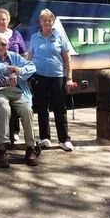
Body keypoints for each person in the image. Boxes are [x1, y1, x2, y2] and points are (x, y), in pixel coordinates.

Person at [0, 33, 38, 168]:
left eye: (3, 44)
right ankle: (1, 148)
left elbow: (32, 67)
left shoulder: (14, 56)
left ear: (7, 46)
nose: (1, 46)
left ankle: (30, 147)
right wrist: (5, 68)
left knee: (27, 109)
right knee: (4, 108)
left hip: (16, 91)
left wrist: (18, 71)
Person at [28, 9, 74, 152]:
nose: (47, 23)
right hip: (39, 77)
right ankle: (45, 138)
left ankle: (64, 139)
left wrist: (69, 78)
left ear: (53, 22)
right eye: (44, 20)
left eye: (49, 20)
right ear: (40, 22)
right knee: (42, 108)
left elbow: (67, 59)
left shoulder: (60, 37)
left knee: (60, 108)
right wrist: (26, 76)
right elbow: (29, 58)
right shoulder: (34, 38)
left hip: (57, 77)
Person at [0, 8, 26, 141]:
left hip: (16, 75)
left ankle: (15, 130)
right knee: (3, 104)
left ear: (8, 20)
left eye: (4, 19)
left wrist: (18, 72)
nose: (1, 21)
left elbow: (24, 54)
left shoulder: (16, 35)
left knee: (16, 101)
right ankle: (1, 132)